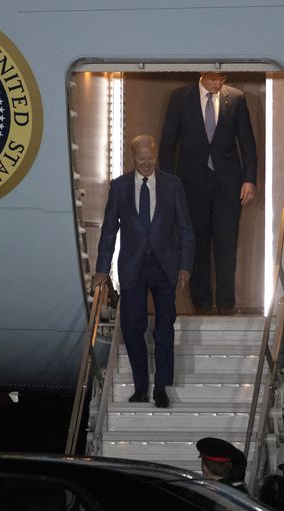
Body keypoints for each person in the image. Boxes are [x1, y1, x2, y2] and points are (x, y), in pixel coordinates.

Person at [93, 135, 194, 408]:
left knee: (164, 328)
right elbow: (109, 230)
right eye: (141, 159)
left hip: (164, 267)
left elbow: (185, 229)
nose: (147, 163)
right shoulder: (120, 187)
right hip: (132, 267)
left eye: (151, 158)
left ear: (156, 154)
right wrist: (102, 268)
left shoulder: (173, 185)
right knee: (131, 327)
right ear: (132, 157)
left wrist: (185, 265)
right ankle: (140, 388)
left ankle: (161, 387)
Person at [159, 71, 257, 316]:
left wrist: (249, 180)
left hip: (227, 184)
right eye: (214, 79)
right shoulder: (181, 98)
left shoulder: (236, 98)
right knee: (196, 242)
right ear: (203, 76)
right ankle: (201, 301)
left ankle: (226, 303)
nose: (219, 84)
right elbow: (167, 144)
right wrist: (170, 183)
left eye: (222, 79)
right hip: (191, 183)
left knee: (227, 242)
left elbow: (247, 143)